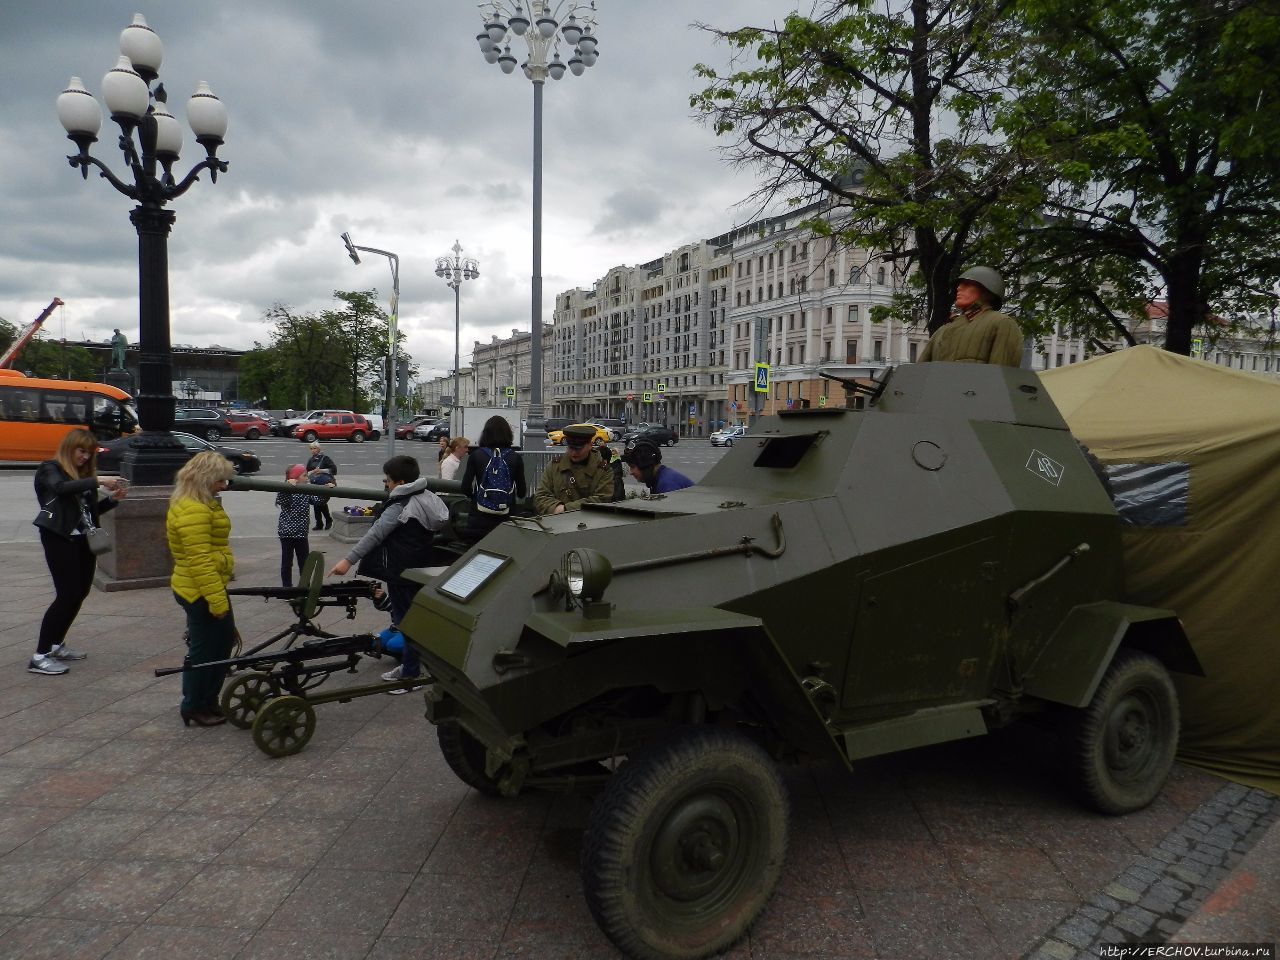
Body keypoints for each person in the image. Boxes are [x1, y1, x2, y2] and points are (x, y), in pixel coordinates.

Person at [328, 455, 448, 693]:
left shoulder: (401, 506)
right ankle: (409, 666)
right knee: (409, 620)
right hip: (417, 566)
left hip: (400, 570)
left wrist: (347, 560)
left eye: (388, 480)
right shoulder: (426, 497)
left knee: (407, 623)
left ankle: (411, 673)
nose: (386, 484)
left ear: (400, 481)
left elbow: (375, 535)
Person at [29, 429, 128, 675]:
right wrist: (99, 480)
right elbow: (60, 488)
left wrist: (112, 500)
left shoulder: (83, 476)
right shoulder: (50, 469)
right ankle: (39, 656)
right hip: (58, 538)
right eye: (81, 450)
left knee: (79, 593)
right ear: (69, 448)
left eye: (89, 452)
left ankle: (55, 644)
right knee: (66, 594)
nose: (84, 457)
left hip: (83, 540)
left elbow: (90, 513)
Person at [166, 451, 236, 726]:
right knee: (206, 652)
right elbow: (200, 562)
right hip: (200, 590)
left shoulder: (197, 503)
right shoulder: (194, 509)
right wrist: (217, 602)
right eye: (220, 480)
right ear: (206, 479)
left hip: (202, 586)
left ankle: (206, 700)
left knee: (218, 647)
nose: (224, 485)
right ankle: (194, 705)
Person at [918, 267, 1024, 367]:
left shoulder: (1001, 323)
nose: (959, 288)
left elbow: (1000, 377)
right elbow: (920, 374)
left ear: (988, 292)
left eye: (967, 284)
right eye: (959, 285)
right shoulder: (941, 331)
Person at [460, 415, 528, 539]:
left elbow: (465, 488)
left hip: (478, 521)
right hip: (506, 522)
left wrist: (478, 497)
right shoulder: (515, 458)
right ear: (508, 434)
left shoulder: (476, 456)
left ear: (485, 433)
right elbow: (522, 493)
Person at [533, 424, 615, 515]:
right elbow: (541, 496)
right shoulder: (554, 466)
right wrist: (555, 508)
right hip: (556, 523)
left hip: (590, 524)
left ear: (589, 445)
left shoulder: (603, 470)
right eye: (571, 448)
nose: (573, 453)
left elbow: (602, 499)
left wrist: (565, 509)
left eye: (578, 449)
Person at [275, 464, 319, 588]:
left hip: (301, 533)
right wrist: (287, 487)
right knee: (287, 563)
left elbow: (318, 500)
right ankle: (287, 588)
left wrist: (328, 490)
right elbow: (282, 499)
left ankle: (305, 587)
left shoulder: (306, 490)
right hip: (287, 533)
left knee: (304, 563)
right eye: (304, 475)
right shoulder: (287, 490)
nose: (307, 478)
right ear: (295, 477)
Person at [622, 440, 694, 495]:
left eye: (633, 467)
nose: (631, 472)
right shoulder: (662, 477)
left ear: (645, 464)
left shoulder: (667, 486)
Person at [304, 441, 337, 530]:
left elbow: (334, 470)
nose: (313, 450)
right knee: (316, 502)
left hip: (325, 483)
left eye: (315, 448)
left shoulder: (325, 458)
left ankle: (325, 521)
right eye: (311, 449)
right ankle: (321, 522)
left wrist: (321, 470)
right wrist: (311, 472)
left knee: (319, 502)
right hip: (314, 483)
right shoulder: (311, 460)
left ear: (319, 449)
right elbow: (307, 472)